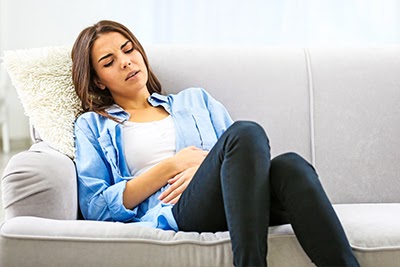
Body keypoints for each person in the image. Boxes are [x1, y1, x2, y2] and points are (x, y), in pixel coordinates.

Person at [71, 20, 360, 267]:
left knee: (291, 166)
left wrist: (202, 166)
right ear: (98, 81)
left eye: (128, 49)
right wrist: (174, 165)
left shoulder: (195, 100)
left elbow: (238, 157)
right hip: (177, 209)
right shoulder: (93, 126)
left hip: (236, 199)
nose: (125, 61)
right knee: (245, 131)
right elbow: (95, 206)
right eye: (109, 62)